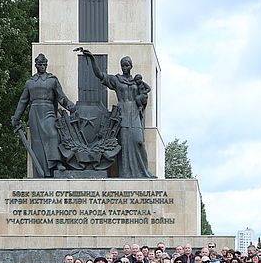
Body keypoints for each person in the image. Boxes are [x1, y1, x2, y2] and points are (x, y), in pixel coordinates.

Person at [76, 48, 155, 178]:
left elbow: (145, 92)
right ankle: (125, 173)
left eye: (127, 65)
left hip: (134, 112)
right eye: (123, 65)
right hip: (122, 112)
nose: (125, 67)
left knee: (138, 141)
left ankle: (143, 171)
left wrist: (142, 99)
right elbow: (99, 75)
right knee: (124, 143)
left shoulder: (136, 81)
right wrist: (92, 59)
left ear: (131, 66)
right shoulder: (117, 80)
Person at [11, 53, 77, 178]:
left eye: (44, 65)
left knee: (53, 134)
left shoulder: (52, 80)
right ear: (36, 65)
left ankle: (57, 163)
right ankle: (41, 171)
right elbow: (23, 101)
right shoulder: (30, 82)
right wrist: (16, 117)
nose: (42, 67)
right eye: (40, 65)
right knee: (37, 142)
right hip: (35, 112)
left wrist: (72, 107)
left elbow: (61, 97)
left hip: (48, 110)